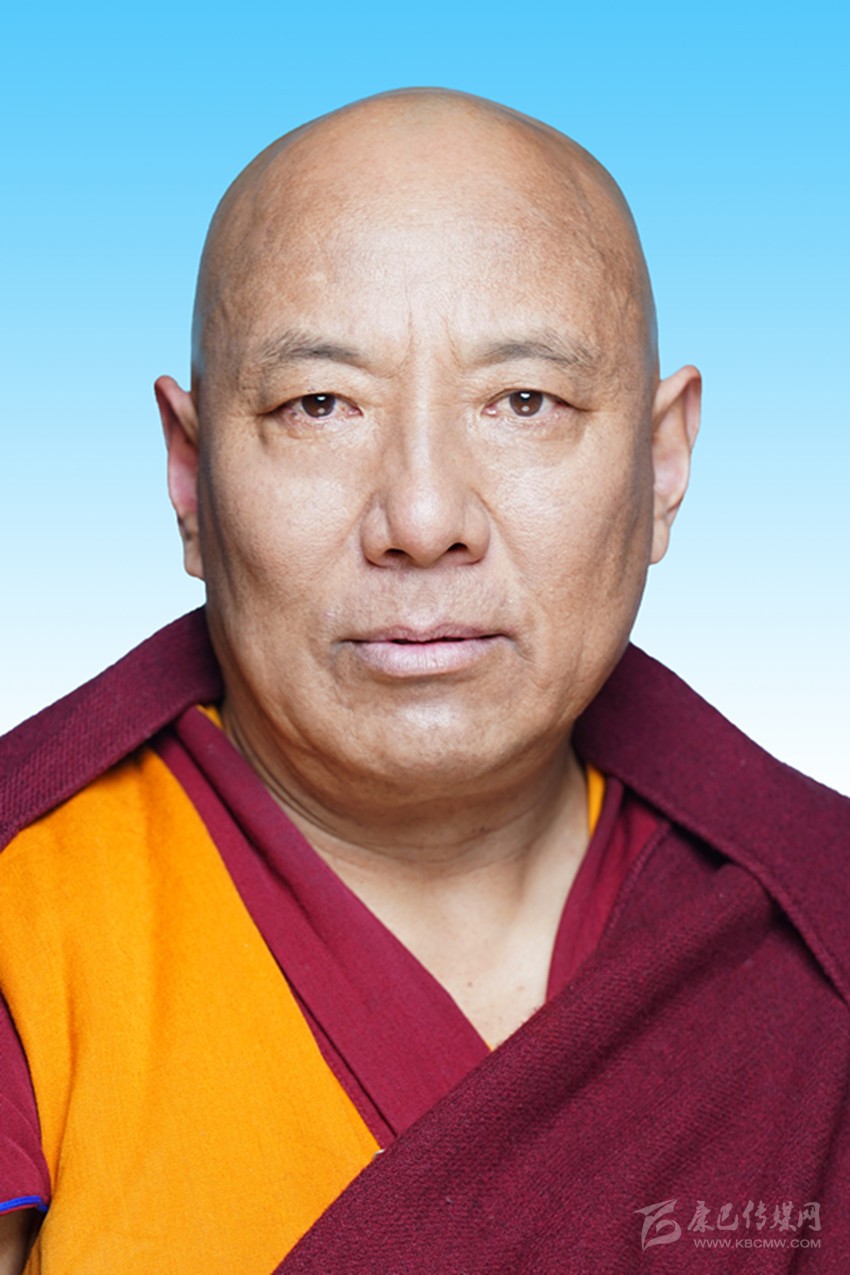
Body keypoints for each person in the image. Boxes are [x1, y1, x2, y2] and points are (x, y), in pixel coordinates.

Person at [0, 88, 847, 1274]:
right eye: (319, 405)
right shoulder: (27, 915)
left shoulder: (816, 920)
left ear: (661, 465)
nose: (423, 517)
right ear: (191, 480)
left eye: (524, 402)